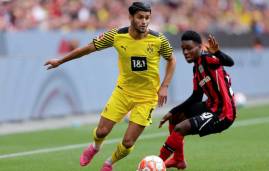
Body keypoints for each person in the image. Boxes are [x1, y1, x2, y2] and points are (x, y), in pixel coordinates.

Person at [44, 2, 176, 171]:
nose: (144, 21)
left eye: (147, 18)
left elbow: (172, 60)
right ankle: (95, 148)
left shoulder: (158, 39)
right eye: (140, 17)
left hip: (147, 97)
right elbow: (89, 48)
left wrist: (165, 85)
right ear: (131, 17)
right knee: (101, 132)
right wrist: (60, 61)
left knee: (128, 142)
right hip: (123, 92)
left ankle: (109, 163)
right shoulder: (116, 36)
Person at [158, 30, 236, 170]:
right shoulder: (196, 68)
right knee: (176, 117)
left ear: (200, 47)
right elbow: (196, 96)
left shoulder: (207, 59)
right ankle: (178, 160)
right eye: (183, 49)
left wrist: (217, 52)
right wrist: (172, 111)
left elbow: (230, 62)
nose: (185, 52)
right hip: (210, 106)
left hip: (223, 112)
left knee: (181, 128)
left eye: (189, 48)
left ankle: (156, 163)